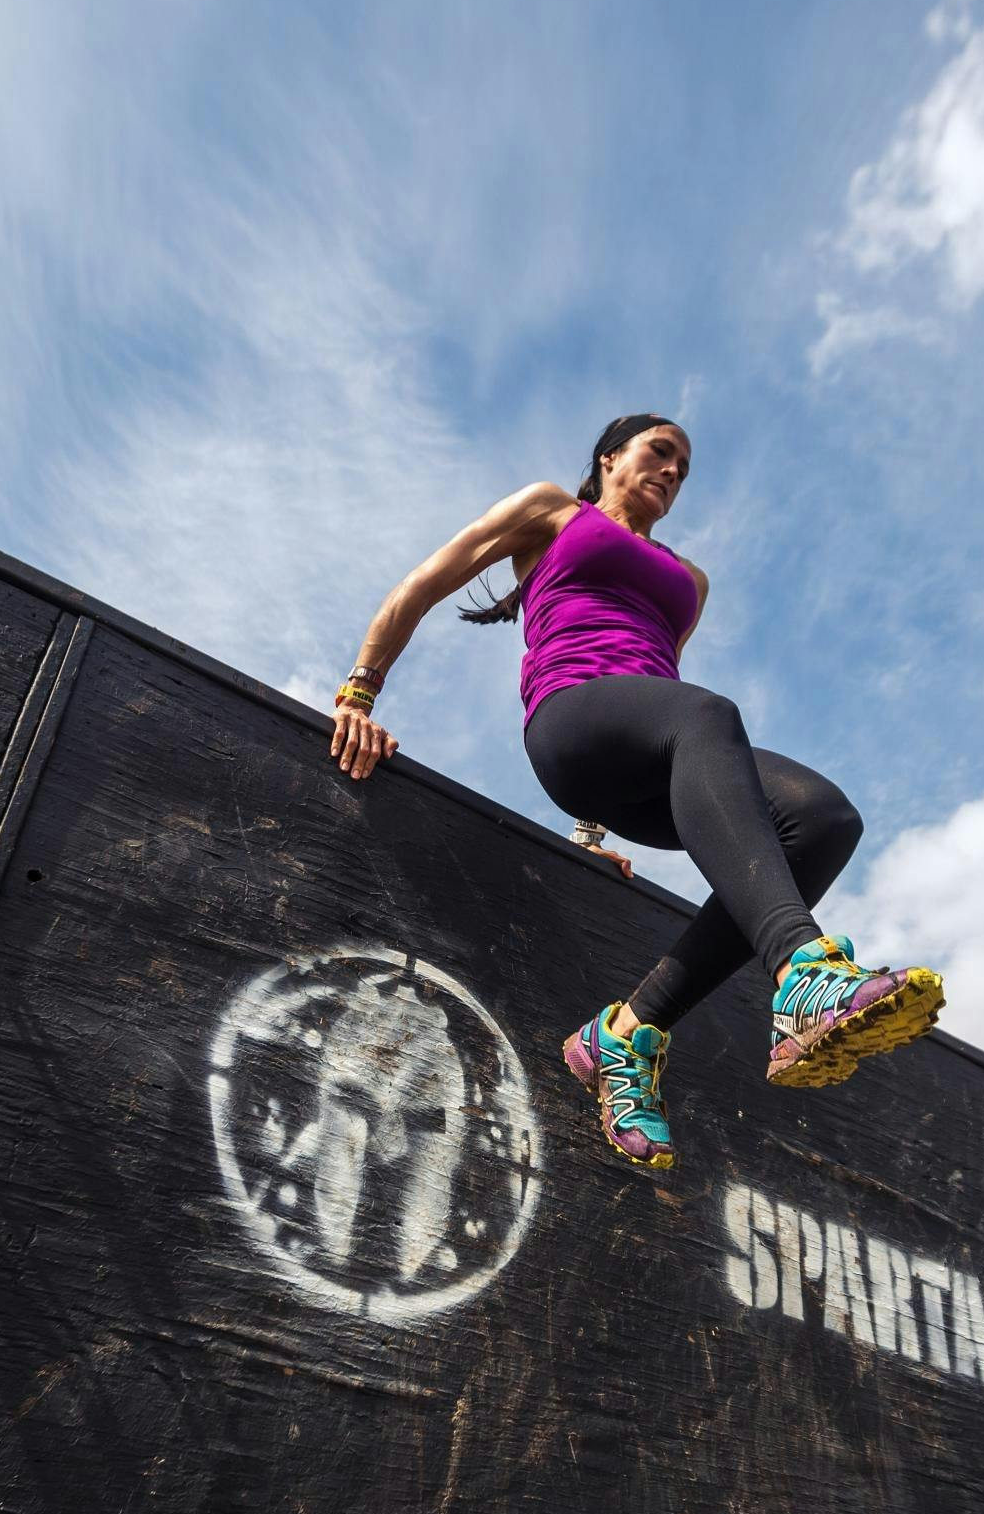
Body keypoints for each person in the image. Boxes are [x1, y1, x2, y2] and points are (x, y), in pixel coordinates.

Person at [325, 412, 945, 1172]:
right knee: (708, 712)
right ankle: (802, 973)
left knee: (822, 819)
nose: (673, 471)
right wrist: (360, 692)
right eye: (660, 452)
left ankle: (626, 1033)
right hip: (570, 719)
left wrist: (592, 840)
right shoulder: (553, 511)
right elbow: (423, 584)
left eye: (684, 467)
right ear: (610, 457)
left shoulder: (691, 581)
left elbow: (660, 690)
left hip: (657, 753)